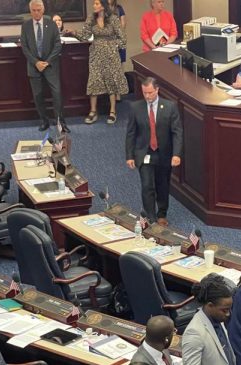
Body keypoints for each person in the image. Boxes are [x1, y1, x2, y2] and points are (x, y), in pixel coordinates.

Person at [125, 77, 183, 226]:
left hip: (164, 153)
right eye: (145, 93)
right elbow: (131, 133)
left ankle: (162, 213)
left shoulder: (170, 107)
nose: (147, 96)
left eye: (150, 93)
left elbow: (177, 132)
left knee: (162, 185)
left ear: (157, 90)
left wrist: (176, 154)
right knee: (147, 185)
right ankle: (151, 217)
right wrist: (129, 155)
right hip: (144, 153)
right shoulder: (135, 107)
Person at [78, 0, 128, 125]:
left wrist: (115, 46)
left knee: (111, 81)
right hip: (96, 54)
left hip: (111, 55)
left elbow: (122, 37)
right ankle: (93, 111)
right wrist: (73, 33)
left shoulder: (113, 18)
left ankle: (112, 111)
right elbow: (84, 35)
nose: (94, 6)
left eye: (96, 3)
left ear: (103, 6)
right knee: (94, 80)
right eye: (94, 3)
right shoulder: (91, 18)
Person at [20, 0, 66, 132]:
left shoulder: (51, 24)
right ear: (30, 11)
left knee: (56, 93)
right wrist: (36, 62)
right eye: (34, 10)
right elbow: (25, 47)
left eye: (38, 10)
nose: (36, 13)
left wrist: (47, 61)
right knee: (38, 95)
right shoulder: (26, 26)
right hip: (34, 66)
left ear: (43, 9)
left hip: (50, 65)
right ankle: (44, 121)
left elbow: (57, 45)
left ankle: (60, 122)